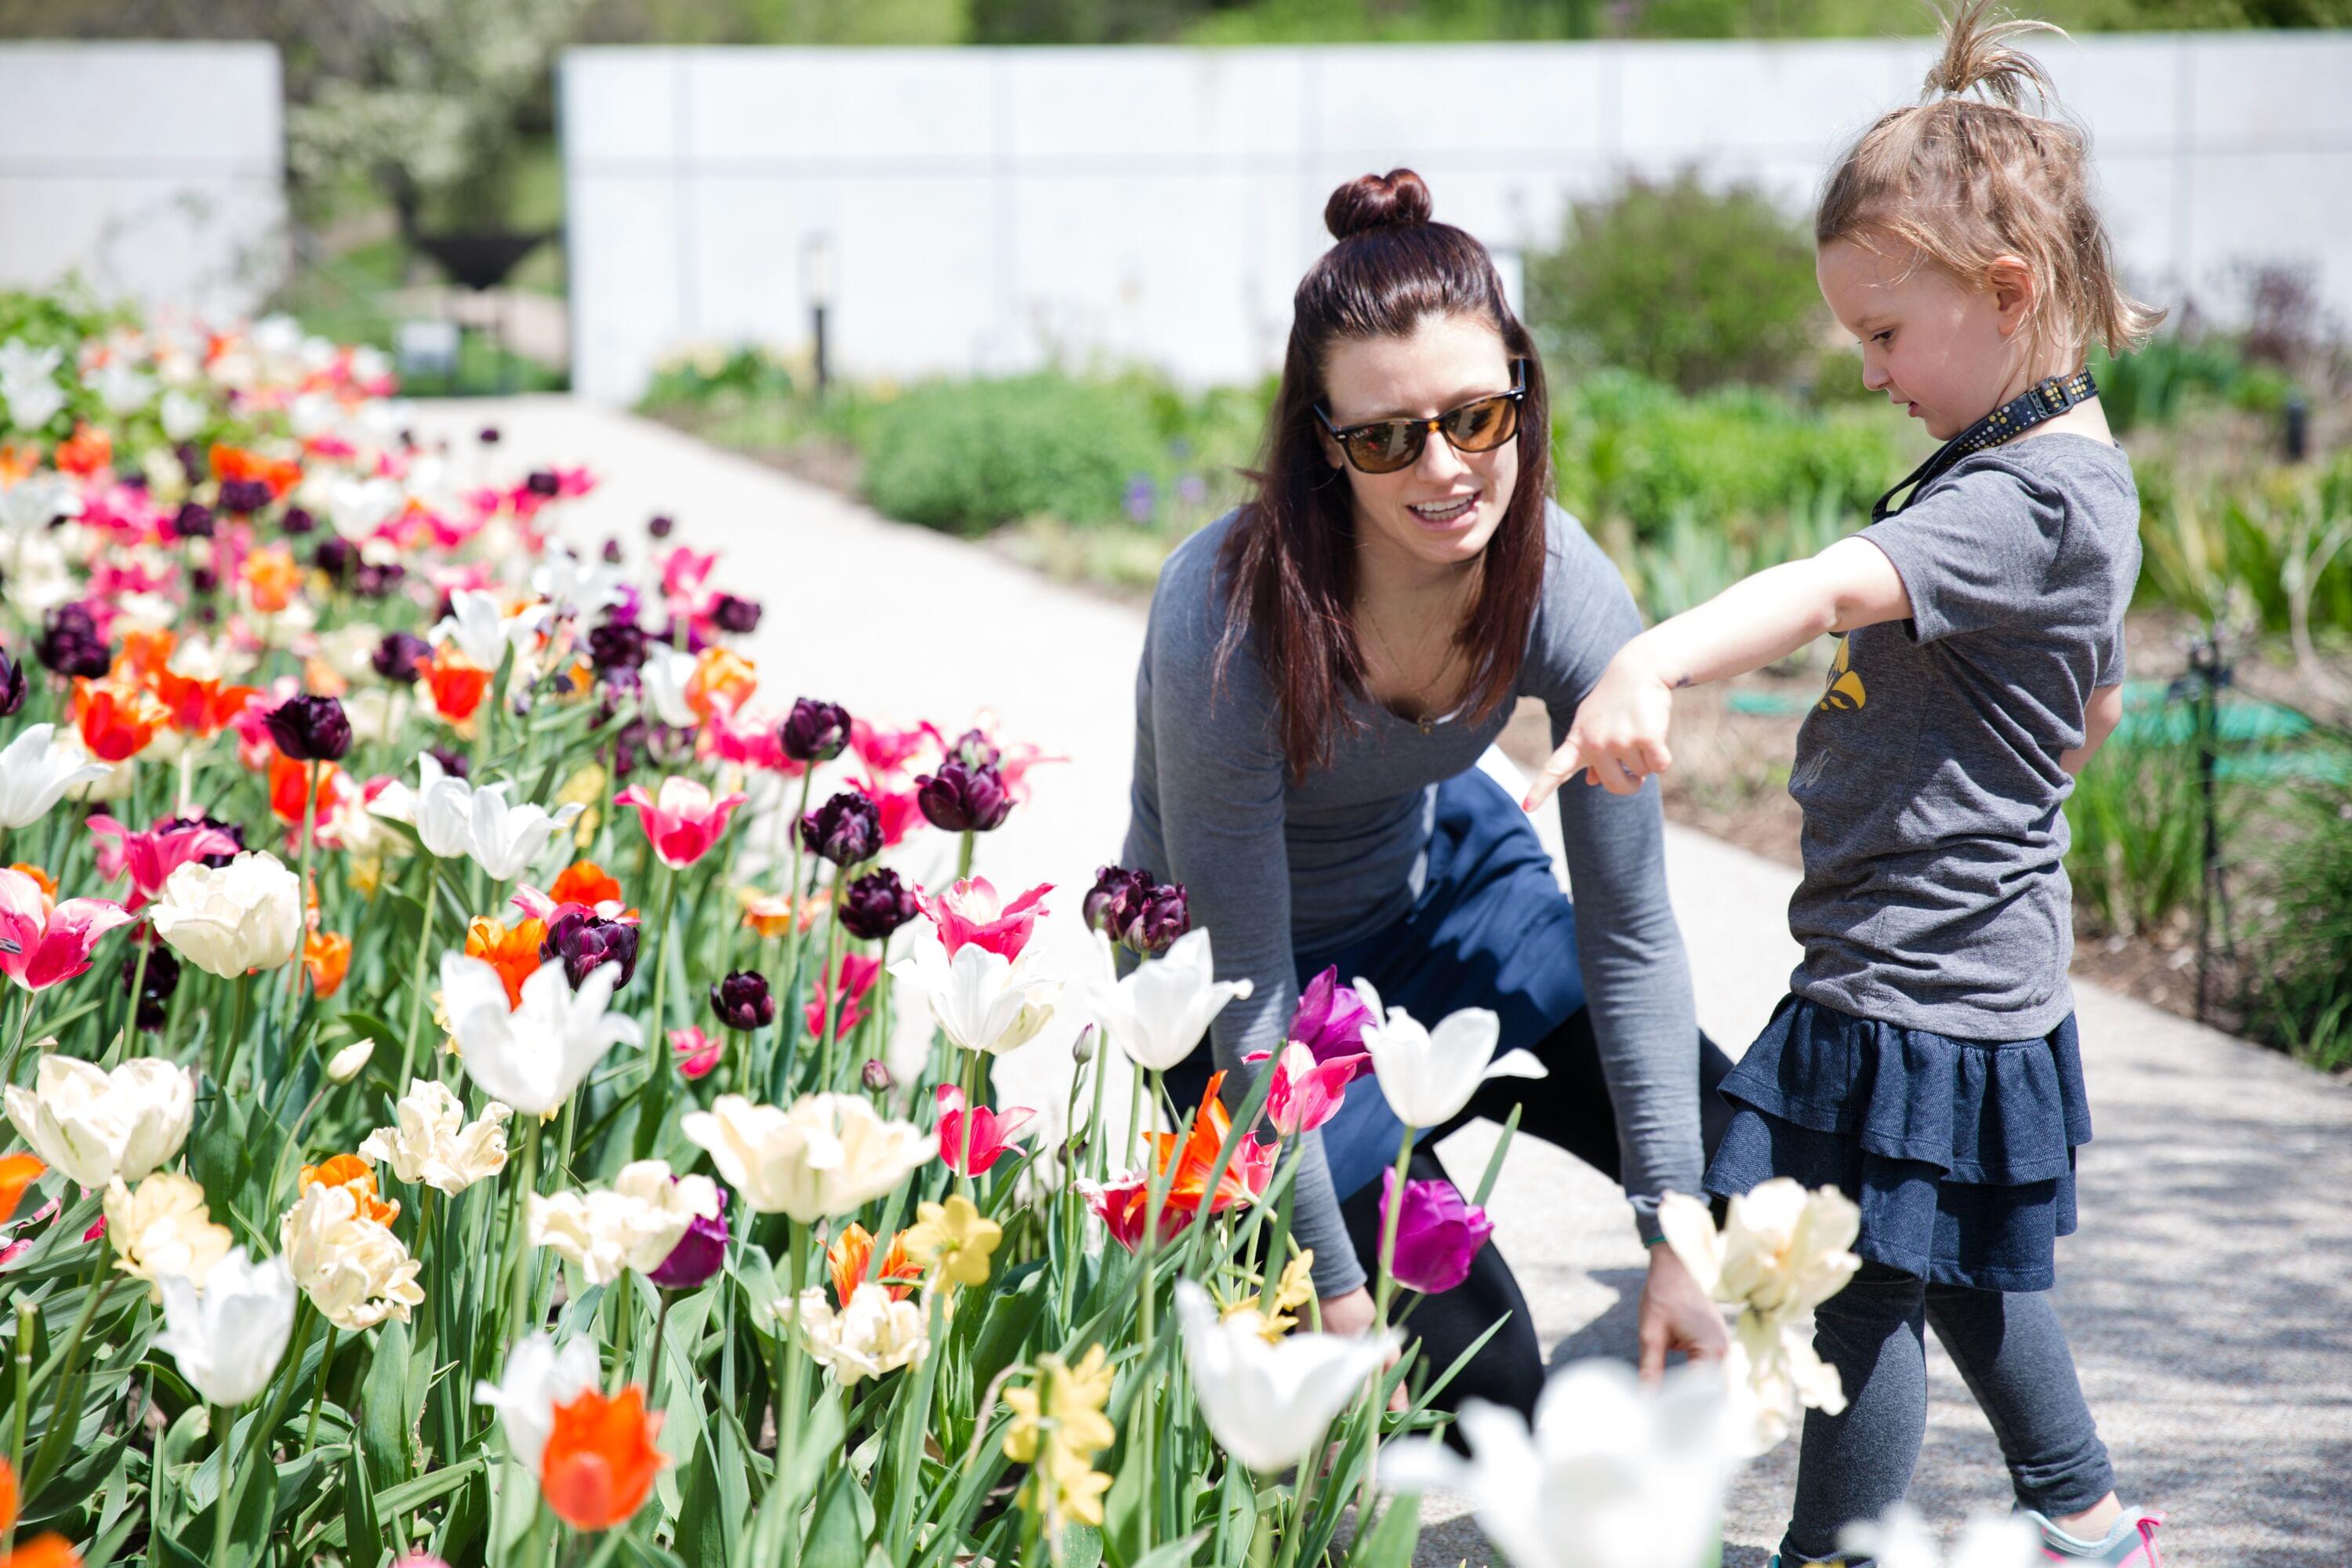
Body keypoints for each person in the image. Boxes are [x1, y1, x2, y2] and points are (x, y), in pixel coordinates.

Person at [1526, 6, 2165, 1563]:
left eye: (1884, 336)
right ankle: (2081, 1512)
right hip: (1940, 947)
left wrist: (1648, 664)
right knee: (1952, 1262)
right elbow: (2088, 699)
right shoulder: (2033, 461)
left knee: (1857, 1279)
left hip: (1923, 969)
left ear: (2006, 295)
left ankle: (1841, 1549)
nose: (1870, 369)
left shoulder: (2030, 493)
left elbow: (1825, 588)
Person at [1121, 164, 1735, 1433]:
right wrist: (1334, 1292)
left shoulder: (1561, 585)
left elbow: (1630, 935)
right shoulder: (1225, 624)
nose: (1447, 469)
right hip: (1249, 1000)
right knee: (1478, 1393)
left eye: (1478, 417)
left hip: (1445, 903)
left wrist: (1681, 1230)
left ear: (1521, 388)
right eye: (1390, 437)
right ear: (1321, 445)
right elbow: (1245, 992)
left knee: (1751, 1170)